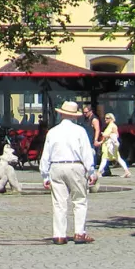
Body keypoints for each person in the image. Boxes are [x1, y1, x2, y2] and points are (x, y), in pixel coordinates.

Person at [39, 100, 97, 243]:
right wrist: (91, 172)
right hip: (75, 166)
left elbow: (45, 155)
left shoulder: (52, 132)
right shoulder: (80, 131)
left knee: (59, 203)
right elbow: (86, 153)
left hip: (56, 167)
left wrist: (45, 176)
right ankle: (79, 233)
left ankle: (59, 235)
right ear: (75, 116)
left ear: (61, 115)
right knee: (79, 200)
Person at [96, 112, 131, 180]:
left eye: (107, 118)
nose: (105, 119)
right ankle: (127, 171)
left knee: (105, 159)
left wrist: (107, 135)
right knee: (116, 158)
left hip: (110, 146)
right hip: (107, 145)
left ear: (111, 119)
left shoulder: (113, 126)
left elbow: (116, 135)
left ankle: (99, 172)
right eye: (105, 118)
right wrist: (101, 142)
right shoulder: (109, 126)